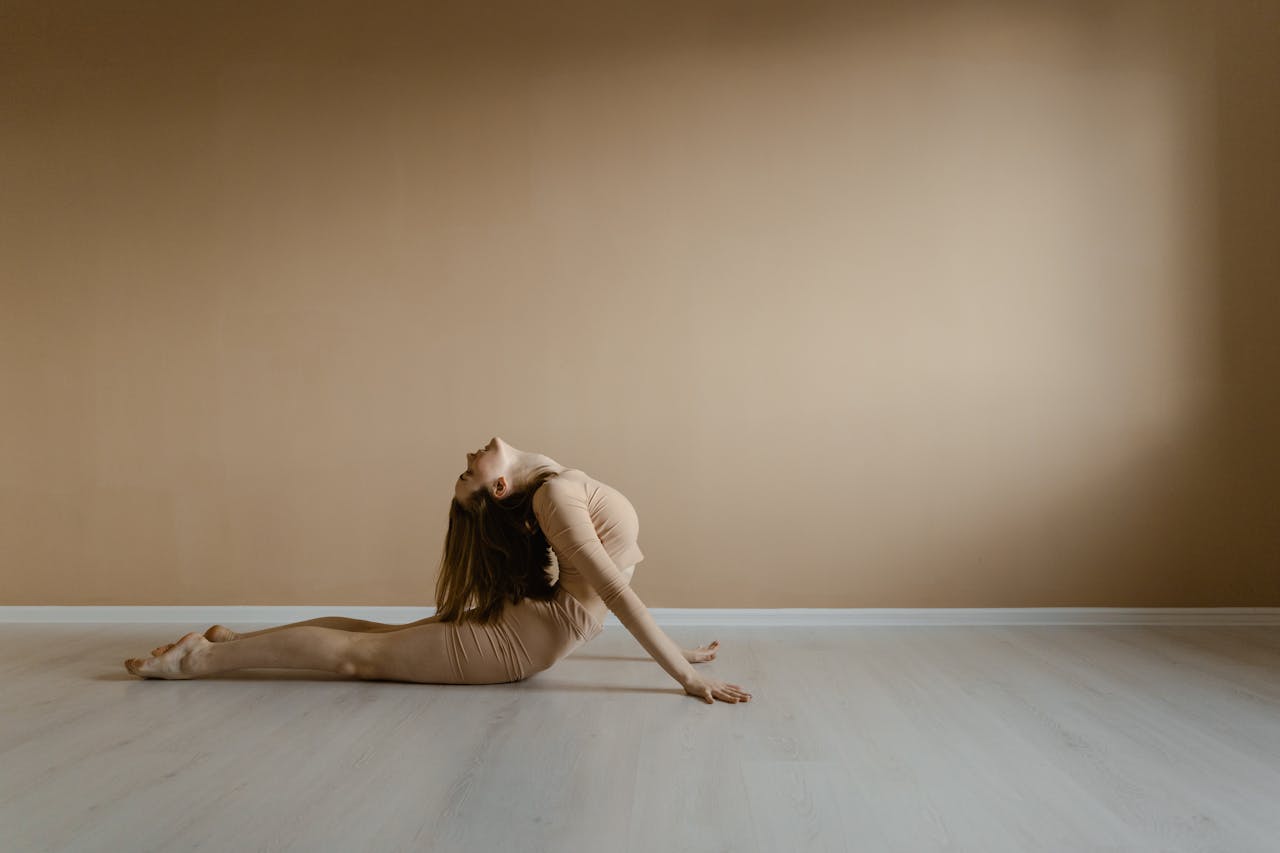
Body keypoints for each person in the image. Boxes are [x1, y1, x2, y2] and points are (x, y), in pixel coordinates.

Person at [125, 437, 752, 705]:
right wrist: (681, 674)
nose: (466, 458)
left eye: (464, 474)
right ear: (500, 485)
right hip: (520, 640)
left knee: (375, 641)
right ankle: (203, 659)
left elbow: (610, 584)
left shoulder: (551, 482)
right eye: (467, 475)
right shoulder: (555, 498)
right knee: (362, 653)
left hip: (527, 637)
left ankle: (227, 647)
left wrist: (675, 653)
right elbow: (611, 590)